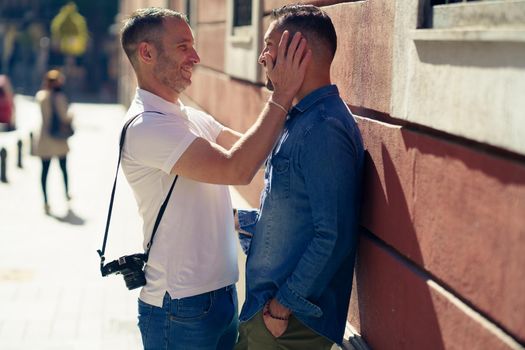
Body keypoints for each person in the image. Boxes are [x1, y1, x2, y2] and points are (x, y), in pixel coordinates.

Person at [119, 7, 310, 350]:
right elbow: (236, 168)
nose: (196, 56)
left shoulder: (188, 117)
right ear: (146, 53)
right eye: (183, 47)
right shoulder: (147, 127)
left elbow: (255, 150)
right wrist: (281, 94)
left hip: (219, 298)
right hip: (179, 309)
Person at [234, 4, 365, 349]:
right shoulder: (300, 119)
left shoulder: (323, 128)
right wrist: (244, 221)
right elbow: (296, 215)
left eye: (270, 46)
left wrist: (281, 308)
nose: (262, 57)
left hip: (289, 326)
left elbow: (331, 235)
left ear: (299, 51)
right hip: (270, 316)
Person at [35, 69, 73, 214]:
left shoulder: (41, 96)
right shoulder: (59, 98)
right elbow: (65, 117)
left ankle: (45, 201)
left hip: (44, 138)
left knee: (44, 171)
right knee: (63, 169)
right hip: (58, 140)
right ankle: (66, 194)